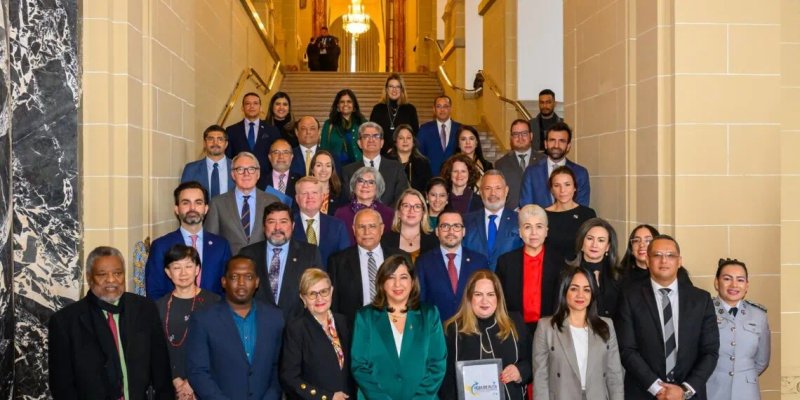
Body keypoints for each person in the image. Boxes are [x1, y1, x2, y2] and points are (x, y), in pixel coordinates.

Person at [48, 246, 173, 400]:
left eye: (117, 273)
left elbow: (161, 370)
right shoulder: (65, 322)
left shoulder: (144, 309)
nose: (111, 280)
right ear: (89, 277)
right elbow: (62, 386)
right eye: (102, 274)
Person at [616, 234, 719, 399]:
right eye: (657, 255)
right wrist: (658, 388)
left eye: (670, 255)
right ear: (648, 261)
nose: (664, 261)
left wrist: (684, 390)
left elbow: (710, 351)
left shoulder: (701, 299)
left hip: (689, 394)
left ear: (679, 261)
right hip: (644, 392)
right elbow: (627, 349)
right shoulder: (629, 297)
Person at [186, 256, 284, 400]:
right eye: (234, 277)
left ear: (257, 282)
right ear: (224, 282)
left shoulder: (275, 318)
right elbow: (198, 372)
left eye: (248, 277)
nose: (241, 283)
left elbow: (279, 368)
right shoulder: (203, 319)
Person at [350, 254, 447, 399]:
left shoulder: (429, 315)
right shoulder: (365, 317)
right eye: (391, 277)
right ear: (382, 282)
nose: (397, 284)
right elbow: (359, 366)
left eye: (403, 277)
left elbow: (437, 364)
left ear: (412, 282)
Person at [533, 266, 624, 400]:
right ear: (564, 291)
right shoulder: (546, 327)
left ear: (592, 293)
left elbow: (614, 375)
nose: (580, 295)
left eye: (586, 290)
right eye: (574, 288)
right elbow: (540, 377)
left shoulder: (606, 325)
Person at [440, 270, 532, 400]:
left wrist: (520, 371)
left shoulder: (515, 323)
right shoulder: (451, 330)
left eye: (490, 294)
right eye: (478, 294)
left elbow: (532, 363)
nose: (485, 301)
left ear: (498, 298)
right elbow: (445, 380)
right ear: (469, 297)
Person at [146, 181, 232, 300]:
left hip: (213, 315)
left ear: (206, 208)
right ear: (176, 209)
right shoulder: (161, 246)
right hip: (173, 316)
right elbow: (154, 292)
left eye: (198, 202)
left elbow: (227, 288)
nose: (192, 208)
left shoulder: (221, 246)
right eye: (186, 203)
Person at [155, 245, 220, 399]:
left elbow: (219, 348)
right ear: (168, 272)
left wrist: (192, 382)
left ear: (197, 269)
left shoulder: (215, 303)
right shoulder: (158, 306)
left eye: (189, 266)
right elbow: (156, 350)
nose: (183, 273)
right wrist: (176, 381)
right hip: (170, 384)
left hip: (207, 384)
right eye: (176, 267)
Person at [238, 202, 323, 320]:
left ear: (293, 226)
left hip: (297, 328)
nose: (277, 228)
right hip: (258, 326)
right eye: (271, 222)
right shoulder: (247, 254)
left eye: (283, 222)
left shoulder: (310, 253)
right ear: (264, 226)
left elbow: (317, 294)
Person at [280, 268, 355, 400]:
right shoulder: (296, 329)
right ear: (303, 298)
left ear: (331, 291)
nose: (319, 298)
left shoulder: (343, 322)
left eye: (324, 292)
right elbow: (289, 378)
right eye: (312, 294)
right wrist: (326, 397)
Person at [706, 259, 770, 400]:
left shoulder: (759, 315)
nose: (734, 285)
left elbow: (762, 360)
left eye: (740, 280)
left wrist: (742, 376)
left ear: (747, 285)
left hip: (747, 391)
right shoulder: (704, 310)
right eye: (727, 279)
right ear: (717, 283)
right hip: (711, 389)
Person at [329, 208, 408, 323]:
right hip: (355, 329)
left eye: (372, 226)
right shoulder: (337, 261)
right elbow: (334, 304)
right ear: (354, 230)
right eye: (361, 227)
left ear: (381, 229)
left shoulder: (400, 257)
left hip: (395, 323)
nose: (367, 232)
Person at [496, 205, 563, 335]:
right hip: (514, 329)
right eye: (527, 227)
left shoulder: (559, 262)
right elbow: (500, 300)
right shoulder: (506, 262)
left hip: (550, 329)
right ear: (520, 232)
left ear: (546, 231)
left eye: (539, 226)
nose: (533, 233)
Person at [416, 210, 488, 321]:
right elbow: (420, 303)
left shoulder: (479, 261)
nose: (451, 231)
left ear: (463, 231)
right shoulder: (423, 262)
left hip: (472, 330)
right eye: (445, 226)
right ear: (437, 231)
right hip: (437, 331)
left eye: (456, 226)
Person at [204, 152, 281, 254]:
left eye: (251, 169)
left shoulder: (273, 201)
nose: (246, 173)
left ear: (258, 174)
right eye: (240, 169)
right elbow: (210, 242)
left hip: (262, 266)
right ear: (233, 174)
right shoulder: (217, 203)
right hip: (230, 266)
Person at [520, 121, 590, 208]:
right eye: (552, 140)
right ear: (545, 144)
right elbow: (526, 207)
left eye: (562, 141)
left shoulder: (580, 173)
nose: (556, 145)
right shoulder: (531, 172)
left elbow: (582, 210)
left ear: (568, 146)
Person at [463, 170, 523, 270]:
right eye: (487, 188)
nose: (493, 193)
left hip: (507, 283)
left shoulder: (519, 221)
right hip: (474, 281)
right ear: (481, 192)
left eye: (498, 188)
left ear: (506, 190)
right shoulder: (466, 221)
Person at [341, 122, 410, 207]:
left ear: (382, 143)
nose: (371, 140)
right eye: (366, 136)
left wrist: (386, 214)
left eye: (375, 136)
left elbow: (402, 198)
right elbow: (348, 200)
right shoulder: (348, 171)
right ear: (359, 143)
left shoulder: (396, 168)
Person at [567, 218, 622, 318]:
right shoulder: (567, 274)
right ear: (581, 243)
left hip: (612, 331)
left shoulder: (619, 275)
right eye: (589, 238)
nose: (594, 245)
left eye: (601, 240)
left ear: (607, 247)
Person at [224, 92, 280, 189]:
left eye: (255, 103)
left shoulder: (272, 130)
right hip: (241, 181)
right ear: (242, 108)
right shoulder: (231, 130)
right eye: (248, 103)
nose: (251, 106)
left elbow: (276, 156)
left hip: (266, 182)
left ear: (260, 107)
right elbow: (229, 159)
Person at [291, 176, 350, 267]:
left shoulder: (337, 226)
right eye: (304, 193)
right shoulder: (287, 225)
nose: (310, 197)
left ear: (322, 197)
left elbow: (345, 261)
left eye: (314, 193)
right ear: (297, 198)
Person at [544, 166, 597, 261]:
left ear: (574, 187)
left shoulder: (587, 214)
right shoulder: (543, 215)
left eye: (567, 184)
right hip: (550, 270)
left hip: (579, 271)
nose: (562, 190)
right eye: (557, 185)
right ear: (551, 190)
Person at [333, 166, 394, 245]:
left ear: (377, 188)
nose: (365, 185)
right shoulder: (341, 214)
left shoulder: (388, 214)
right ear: (354, 186)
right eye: (361, 181)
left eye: (371, 182)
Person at [619, 224, 692, 288]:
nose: (641, 245)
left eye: (648, 240)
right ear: (631, 248)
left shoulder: (675, 272)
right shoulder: (620, 275)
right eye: (636, 240)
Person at [494, 119, 545, 210]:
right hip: (512, 217)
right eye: (516, 134)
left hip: (540, 216)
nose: (520, 138)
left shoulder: (544, 161)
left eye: (524, 133)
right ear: (511, 138)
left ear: (531, 136)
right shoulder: (500, 164)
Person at [381, 188, 440, 261]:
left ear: (423, 213)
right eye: (406, 206)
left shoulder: (434, 241)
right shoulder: (385, 241)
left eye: (417, 206)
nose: (411, 210)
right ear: (398, 212)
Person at [180, 124, 234, 197]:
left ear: (226, 144)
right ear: (204, 143)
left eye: (220, 139)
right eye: (210, 139)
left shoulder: (237, 168)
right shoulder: (190, 169)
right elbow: (184, 197)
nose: (215, 143)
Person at [369, 73, 420, 151]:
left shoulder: (410, 109)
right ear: (386, 89)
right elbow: (373, 133)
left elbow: (414, 134)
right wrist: (386, 149)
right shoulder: (378, 109)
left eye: (397, 87)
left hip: (404, 153)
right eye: (391, 86)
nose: (394, 90)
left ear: (402, 89)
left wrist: (399, 149)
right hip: (383, 153)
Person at [320, 89, 366, 166]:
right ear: (337, 106)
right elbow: (323, 149)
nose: (345, 104)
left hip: (358, 167)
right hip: (335, 168)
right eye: (342, 102)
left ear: (354, 105)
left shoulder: (363, 123)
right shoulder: (329, 124)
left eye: (349, 101)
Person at [417, 95, 461, 175]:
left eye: (445, 106)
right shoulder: (424, 129)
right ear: (434, 109)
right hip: (431, 179)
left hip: (455, 179)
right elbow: (419, 155)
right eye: (438, 106)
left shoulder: (460, 129)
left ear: (451, 109)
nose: (442, 110)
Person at [385, 123, 432, 193]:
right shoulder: (386, 161)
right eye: (401, 138)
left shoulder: (423, 163)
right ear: (395, 142)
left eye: (408, 138)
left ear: (413, 142)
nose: (405, 141)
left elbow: (428, 188)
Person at [310, 149, 346, 214]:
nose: (324, 170)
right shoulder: (304, 191)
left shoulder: (341, 193)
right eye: (319, 165)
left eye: (328, 166)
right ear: (312, 169)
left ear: (332, 169)